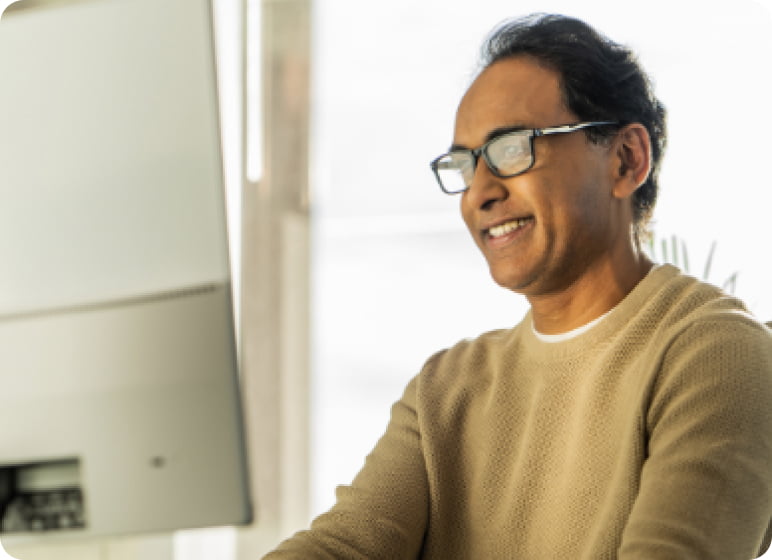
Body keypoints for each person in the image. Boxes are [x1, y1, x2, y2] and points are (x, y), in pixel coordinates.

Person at [263, 13, 772, 559]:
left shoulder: (717, 354)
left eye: (512, 148)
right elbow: (342, 547)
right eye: (465, 164)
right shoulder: (446, 388)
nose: (479, 192)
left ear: (627, 160)